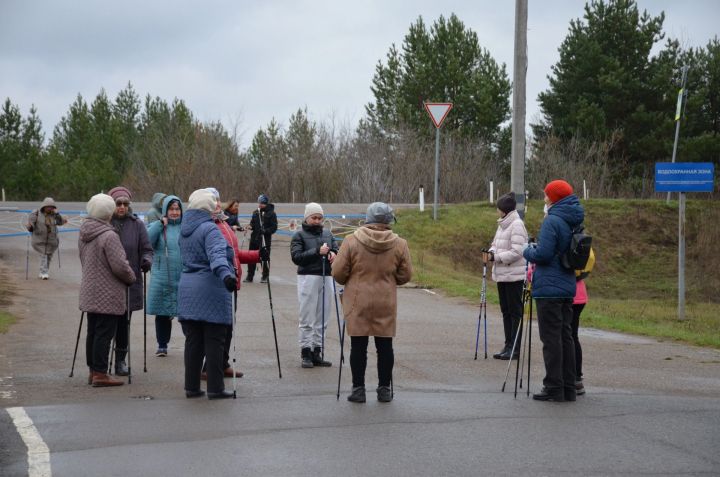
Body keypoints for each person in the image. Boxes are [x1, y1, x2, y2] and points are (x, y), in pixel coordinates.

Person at [332, 202, 412, 403]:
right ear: (388, 220)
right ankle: (384, 389)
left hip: (358, 300)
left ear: (368, 218)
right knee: (385, 346)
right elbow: (405, 275)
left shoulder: (351, 241)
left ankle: (358, 389)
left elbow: (338, 274)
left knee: (358, 345)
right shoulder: (400, 244)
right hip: (385, 300)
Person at [523, 179, 584, 402]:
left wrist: (527, 250)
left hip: (549, 286)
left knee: (551, 339)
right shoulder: (573, 218)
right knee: (565, 336)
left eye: (547, 194)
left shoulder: (553, 220)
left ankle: (553, 386)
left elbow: (544, 255)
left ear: (554, 197)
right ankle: (568, 387)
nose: (544, 197)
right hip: (567, 285)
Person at [177, 188, 237, 399]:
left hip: (187, 289)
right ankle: (215, 388)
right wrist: (227, 276)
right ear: (209, 207)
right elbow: (216, 256)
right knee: (214, 341)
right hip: (210, 288)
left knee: (193, 342)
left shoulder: (185, 229)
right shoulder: (209, 229)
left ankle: (191, 387)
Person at [203, 188, 265, 380]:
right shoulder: (208, 224)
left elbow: (233, 254)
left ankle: (222, 362)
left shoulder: (224, 222)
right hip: (219, 282)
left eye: (218, 199)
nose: (217, 203)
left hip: (232, 282)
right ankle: (209, 367)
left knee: (229, 325)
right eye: (213, 200)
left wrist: (257, 256)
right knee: (218, 328)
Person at [79, 193, 136, 387]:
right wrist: (131, 277)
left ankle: (93, 370)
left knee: (93, 331)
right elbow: (120, 266)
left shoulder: (85, 232)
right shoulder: (109, 235)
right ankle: (100, 373)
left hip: (89, 288)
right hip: (108, 292)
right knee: (104, 333)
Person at [108, 186, 153, 377]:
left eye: (125, 204)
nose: (122, 207)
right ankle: (100, 363)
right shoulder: (105, 223)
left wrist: (147, 261)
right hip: (108, 281)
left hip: (129, 280)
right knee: (106, 324)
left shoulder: (137, 225)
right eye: (118, 204)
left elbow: (147, 248)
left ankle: (120, 360)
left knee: (123, 324)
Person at [290, 202, 338, 368]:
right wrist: (317, 251)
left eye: (320, 218)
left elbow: (336, 250)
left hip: (326, 275)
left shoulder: (328, 234)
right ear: (307, 218)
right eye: (314, 217)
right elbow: (296, 257)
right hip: (308, 276)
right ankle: (305, 351)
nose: (317, 221)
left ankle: (317, 350)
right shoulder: (299, 235)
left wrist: (332, 254)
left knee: (323, 315)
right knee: (307, 316)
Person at [484, 192, 528, 360]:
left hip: (514, 275)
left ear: (504, 209)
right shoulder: (502, 224)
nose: (497, 211)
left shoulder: (516, 224)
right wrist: (491, 253)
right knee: (506, 311)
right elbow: (495, 244)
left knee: (515, 312)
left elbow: (518, 251)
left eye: (498, 208)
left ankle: (514, 348)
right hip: (502, 274)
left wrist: (497, 257)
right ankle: (507, 344)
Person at [146, 195, 183, 357]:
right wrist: (160, 225)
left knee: (187, 314)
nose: (174, 212)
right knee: (162, 314)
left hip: (183, 277)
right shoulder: (158, 225)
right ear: (165, 210)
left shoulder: (186, 227)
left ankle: (192, 343)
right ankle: (162, 345)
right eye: (171, 209)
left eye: (177, 209)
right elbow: (146, 240)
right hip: (162, 277)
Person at [26, 197, 68, 279]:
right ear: (44, 206)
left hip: (52, 241)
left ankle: (44, 272)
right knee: (43, 255)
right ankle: (44, 272)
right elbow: (31, 225)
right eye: (48, 206)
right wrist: (30, 227)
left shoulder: (55, 215)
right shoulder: (36, 213)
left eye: (52, 206)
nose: (50, 208)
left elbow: (61, 222)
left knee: (49, 256)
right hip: (39, 240)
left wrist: (57, 214)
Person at [245, 194, 277, 283]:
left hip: (265, 240)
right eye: (259, 203)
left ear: (266, 203)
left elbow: (274, 228)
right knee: (251, 257)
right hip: (254, 238)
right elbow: (252, 224)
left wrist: (265, 231)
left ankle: (265, 276)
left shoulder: (271, 213)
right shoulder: (255, 212)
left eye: (262, 203)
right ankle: (250, 275)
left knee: (264, 257)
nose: (260, 205)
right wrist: (250, 226)